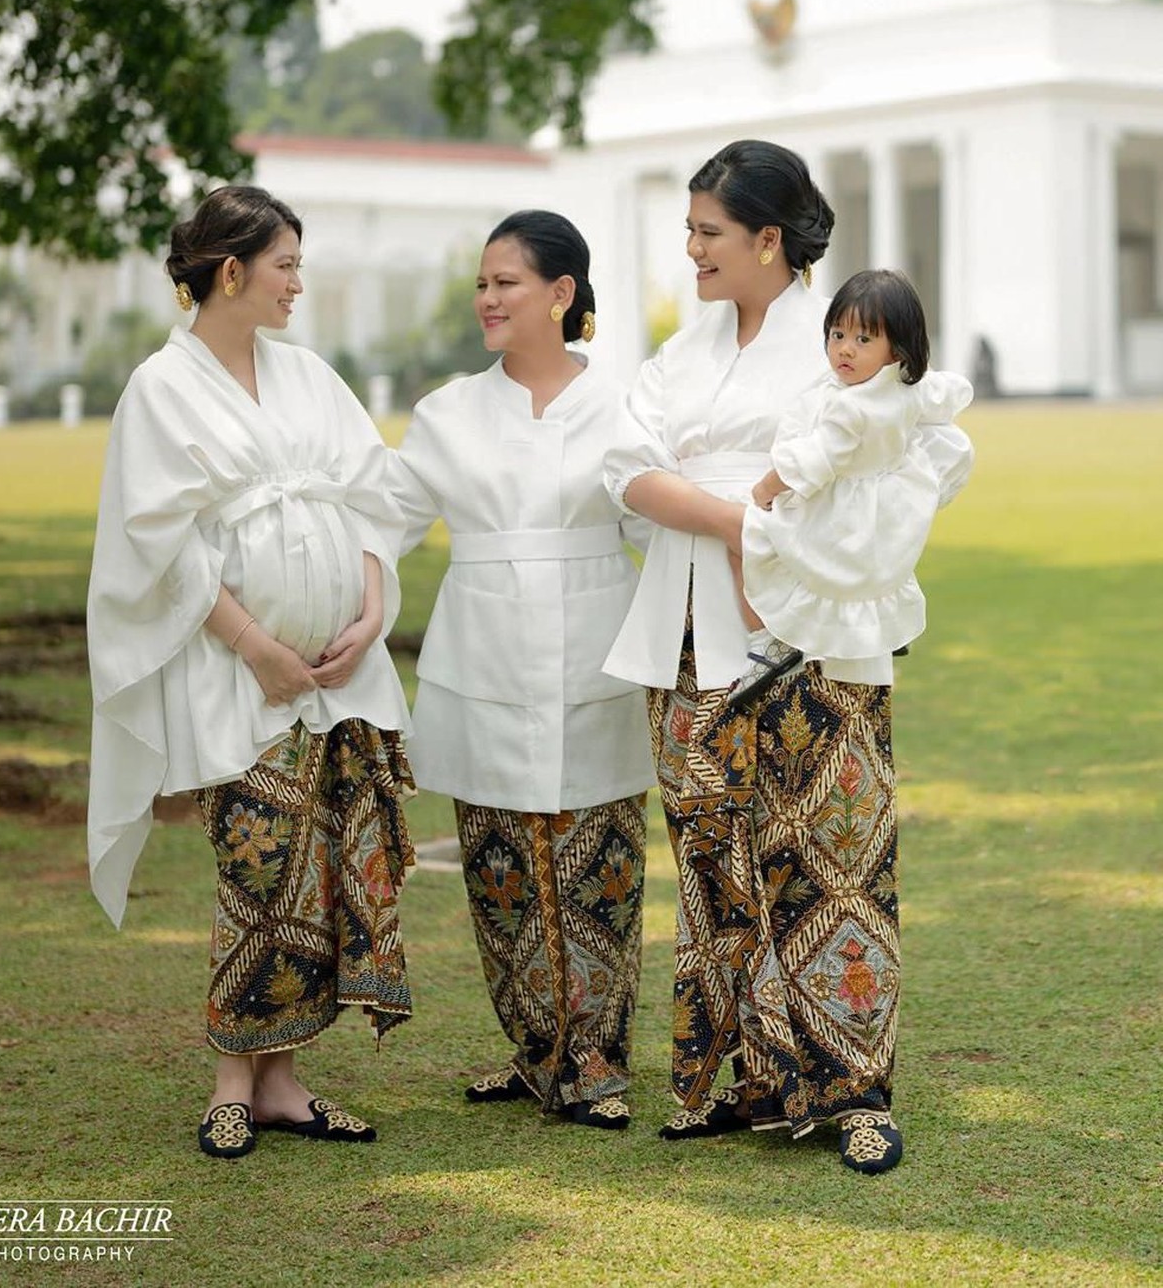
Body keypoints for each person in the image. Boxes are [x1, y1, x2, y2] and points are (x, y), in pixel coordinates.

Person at [604, 141, 973, 1173]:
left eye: (707, 232)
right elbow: (626, 465)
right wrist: (737, 519)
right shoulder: (683, 351)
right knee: (717, 856)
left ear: (770, 238)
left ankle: (856, 1089)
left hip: (814, 638)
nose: (690, 250)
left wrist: (778, 538)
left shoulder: (845, 347)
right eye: (687, 231)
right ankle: (756, 1076)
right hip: (686, 632)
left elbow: (919, 463)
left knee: (834, 855)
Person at [87, 185, 414, 1161]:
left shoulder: (308, 373)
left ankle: (284, 1080)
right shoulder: (162, 386)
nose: (296, 285)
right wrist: (256, 645)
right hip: (241, 675)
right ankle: (234, 1078)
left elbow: (373, 492)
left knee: (322, 868)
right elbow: (161, 539)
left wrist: (366, 616)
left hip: (335, 678)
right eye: (285, 266)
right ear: (230, 270)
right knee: (257, 868)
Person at [388, 210, 654, 1131]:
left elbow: (658, 532)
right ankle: (537, 1049)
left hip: (596, 652)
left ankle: (595, 1058)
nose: (488, 298)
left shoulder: (625, 407)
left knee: (599, 862)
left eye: (506, 281)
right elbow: (380, 525)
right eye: (481, 283)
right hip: (483, 657)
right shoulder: (447, 411)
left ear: (561, 293)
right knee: (500, 866)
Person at [729, 268, 974, 708]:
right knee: (877, 578)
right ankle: (883, 632)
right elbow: (945, 393)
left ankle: (771, 641)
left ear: (896, 348)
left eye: (863, 340)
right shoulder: (908, 386)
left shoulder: (853, 408)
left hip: (845, 510)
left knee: (760, 540)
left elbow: (816, 458)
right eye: (837, 334)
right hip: (890, 508)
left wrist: (767, 488)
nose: (844, 349)